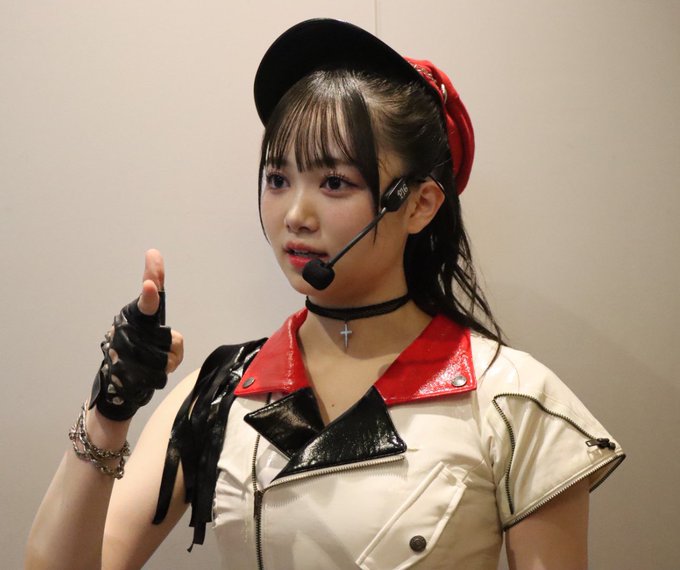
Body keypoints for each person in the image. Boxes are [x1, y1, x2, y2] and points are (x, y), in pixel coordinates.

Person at [26, 18, 625, 570]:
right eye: (278, 178)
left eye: (334, 182)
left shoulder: (512, 401)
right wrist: (109, 414)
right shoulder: (220, 392)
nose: (295, 214)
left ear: (419, 204)